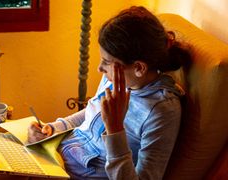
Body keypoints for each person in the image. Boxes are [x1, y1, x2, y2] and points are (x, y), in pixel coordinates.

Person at [28, 6, 191, 179]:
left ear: (138, 68)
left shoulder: (162, 112)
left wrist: (115, 129)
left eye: (106, 62)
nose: (99, 69)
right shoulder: (116, 78)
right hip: (59, 157)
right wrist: (53, 129)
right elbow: (92, 113)